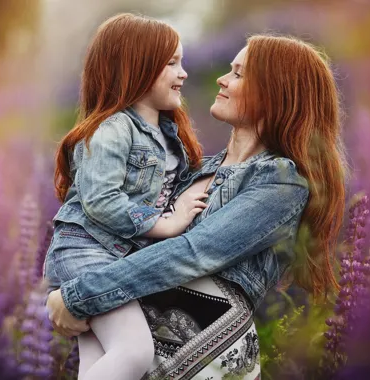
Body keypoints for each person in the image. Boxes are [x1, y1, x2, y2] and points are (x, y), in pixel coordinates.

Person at [47, 34, 348, 380]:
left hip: (210, 359)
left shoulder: (281, 181)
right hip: (144, 356)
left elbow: (193, 252)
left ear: (274, 92)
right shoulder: (194, 168)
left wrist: (78, 296)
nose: (221, 79)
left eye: (238, 74)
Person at [44, 13, 208, 380]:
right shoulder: (111, 130)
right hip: (86, 252)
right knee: (134, 352)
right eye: (171, 63)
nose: (183, 73)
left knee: (98, 365)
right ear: (137, 68)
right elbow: (101, 201)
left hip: (115, 257)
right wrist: (166, 224)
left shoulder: (168, 133)